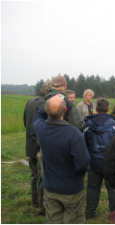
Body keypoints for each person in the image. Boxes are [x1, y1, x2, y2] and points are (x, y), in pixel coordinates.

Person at [32, 95, 90, 224]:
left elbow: (36, 116)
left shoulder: (40, 128)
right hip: (72, 189)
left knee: (53, 219)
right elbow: (83, 164)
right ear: (65, 110)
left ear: (46, 110)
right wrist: (78, 175)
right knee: (74, 219)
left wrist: (50, 102)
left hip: (50, 187)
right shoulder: (74, 133)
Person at [82, 98, 115, 220]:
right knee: (114, 189)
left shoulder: (87, 125)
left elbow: (83, 144)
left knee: (93, 188)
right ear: (108, 109)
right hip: (111, 164)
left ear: (96, 109)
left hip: (93, 162)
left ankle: (90, 213)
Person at [23, 80, 51, 215]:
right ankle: (42, 205)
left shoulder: (30, 101)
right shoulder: (44, 104)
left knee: (34, 175)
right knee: (42, 176)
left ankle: (34, 202)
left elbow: (25, 123)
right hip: (39, 145)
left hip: (29, 144)